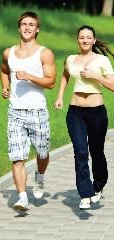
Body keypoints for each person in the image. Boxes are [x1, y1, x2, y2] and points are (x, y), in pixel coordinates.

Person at [0, 11, 56, 212]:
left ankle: (40, 175)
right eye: (24, 24)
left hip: (37, 111)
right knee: (17, 156)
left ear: (37, 29)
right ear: (19, 27)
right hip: (15, 112)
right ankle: (22, 197)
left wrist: (30, 77)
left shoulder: (44, 53)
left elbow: (51, 82)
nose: (27, 27)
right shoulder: (9, 53)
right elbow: (4, 70)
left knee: (43, 151)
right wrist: (5, 87)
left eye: (31, 24)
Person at [54, 25, 114, 210]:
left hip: (96, 112)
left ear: (94, 40)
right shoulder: (71, 59)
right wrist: (60, 97)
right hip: (75, 112)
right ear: (77, 40)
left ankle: (99, 185)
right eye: (82, 37)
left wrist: (96, 76)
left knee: (97, 152)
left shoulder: (102, 60)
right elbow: (65, 76)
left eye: (89, 37)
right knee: (80, 152)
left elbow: (112, 85)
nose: (85, 40)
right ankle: (85, 194)